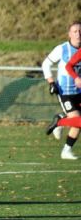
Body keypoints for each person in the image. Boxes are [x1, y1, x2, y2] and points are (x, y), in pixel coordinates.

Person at [43, 21, 81, 160]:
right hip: (65, 92)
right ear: (69, 34)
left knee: (78, 122)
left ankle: (66, 149)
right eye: (75, 31)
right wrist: (51, 82)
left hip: (79, 92)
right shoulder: (62, 49)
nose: (78, 34)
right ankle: (59, 123)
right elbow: (46, 64)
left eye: (80, 31)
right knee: (78, 120)